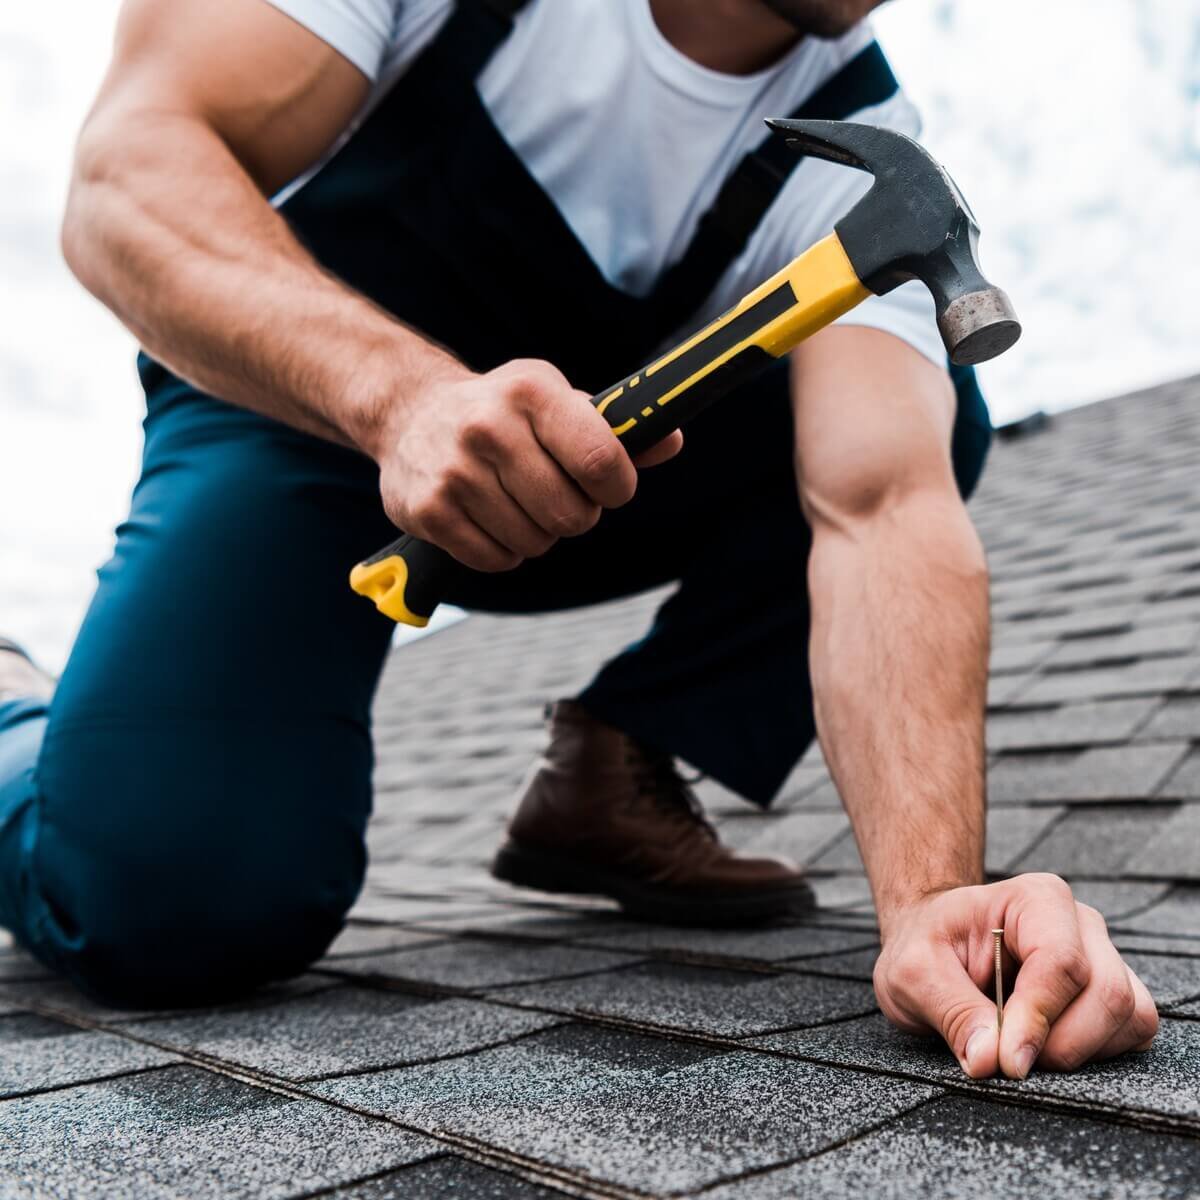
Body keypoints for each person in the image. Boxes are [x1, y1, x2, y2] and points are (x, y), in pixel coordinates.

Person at [0, 0, 1157, 1080]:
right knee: (168, 898)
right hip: (297, 419)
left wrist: (935, 904)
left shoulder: (859, 148)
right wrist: (400, 399)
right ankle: (16, 711)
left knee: (935, 422)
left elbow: (884, 511)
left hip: (586, 478)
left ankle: (613, 771)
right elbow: (127, 171)